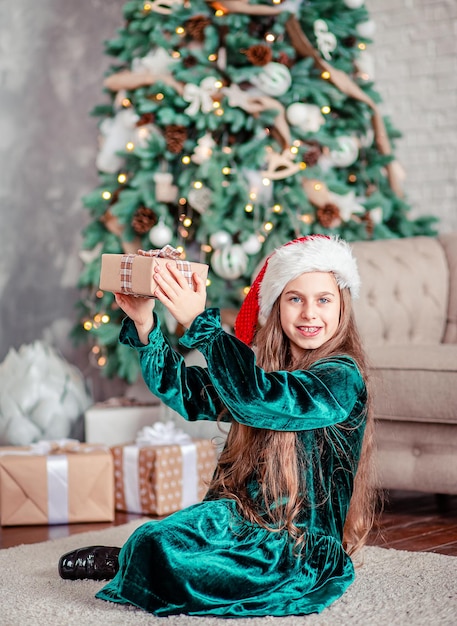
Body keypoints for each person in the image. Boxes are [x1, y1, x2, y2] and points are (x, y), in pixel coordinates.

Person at [59, 235, 376, 617]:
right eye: (295, 299)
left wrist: (200, 324)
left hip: (297, 545)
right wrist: (145, 327)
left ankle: (133, 561)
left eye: (323, 300)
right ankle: (137, 558)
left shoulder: (342, 377)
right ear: (277, 307)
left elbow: (259, 397)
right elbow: (188, 391)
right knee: (154, 539)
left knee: (168, 555)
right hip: (241, 520)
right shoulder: (258, 370)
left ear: (342, 307)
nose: (310, 313)